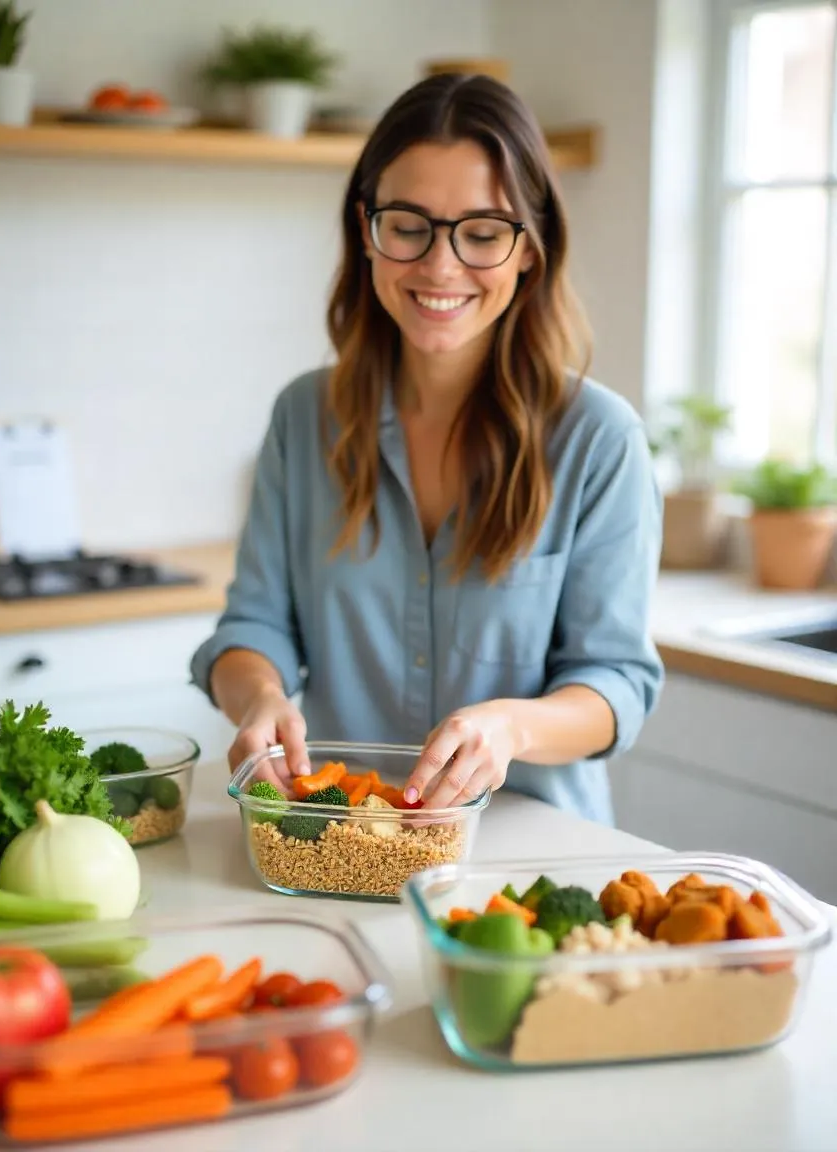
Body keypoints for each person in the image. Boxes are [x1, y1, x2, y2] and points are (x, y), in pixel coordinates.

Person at [189, 71, 664, 825]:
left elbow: (616, 685)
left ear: (529, 251)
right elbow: (252, 629)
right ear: (366, 231)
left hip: (527, 850)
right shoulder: (303, 417)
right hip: (340, 836)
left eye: (482, 232)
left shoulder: (600, 441)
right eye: (409, 225)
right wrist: (261, 698)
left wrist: (510, 727)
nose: (441, 267)